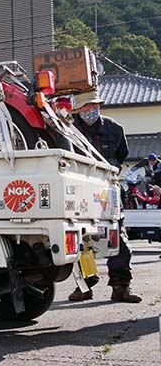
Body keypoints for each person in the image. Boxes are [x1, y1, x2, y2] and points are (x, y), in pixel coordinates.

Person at [68, 91, 142, 303]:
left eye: (94, 105)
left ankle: (121, 287)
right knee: (81, 240)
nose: (90, 110)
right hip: (80, 189)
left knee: (117, 237)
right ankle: (84, 286)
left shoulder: (114, 128)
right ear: (77, 110)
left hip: (108, 189)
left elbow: (121, 155)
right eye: (85, 107)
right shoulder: (68, 129)